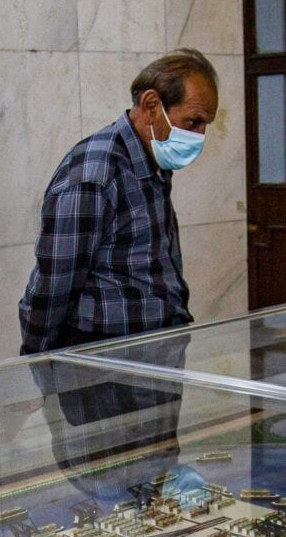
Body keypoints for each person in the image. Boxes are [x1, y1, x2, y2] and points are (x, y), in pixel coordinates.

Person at [18, 50, 217, 355]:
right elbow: (56, 280)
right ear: (152, 106)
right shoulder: (95, 172)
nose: (200, 136)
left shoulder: (152, 160)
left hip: (156, 351)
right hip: (106, 362)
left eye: (205, 124)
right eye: (192, 122)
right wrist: (35, 358)